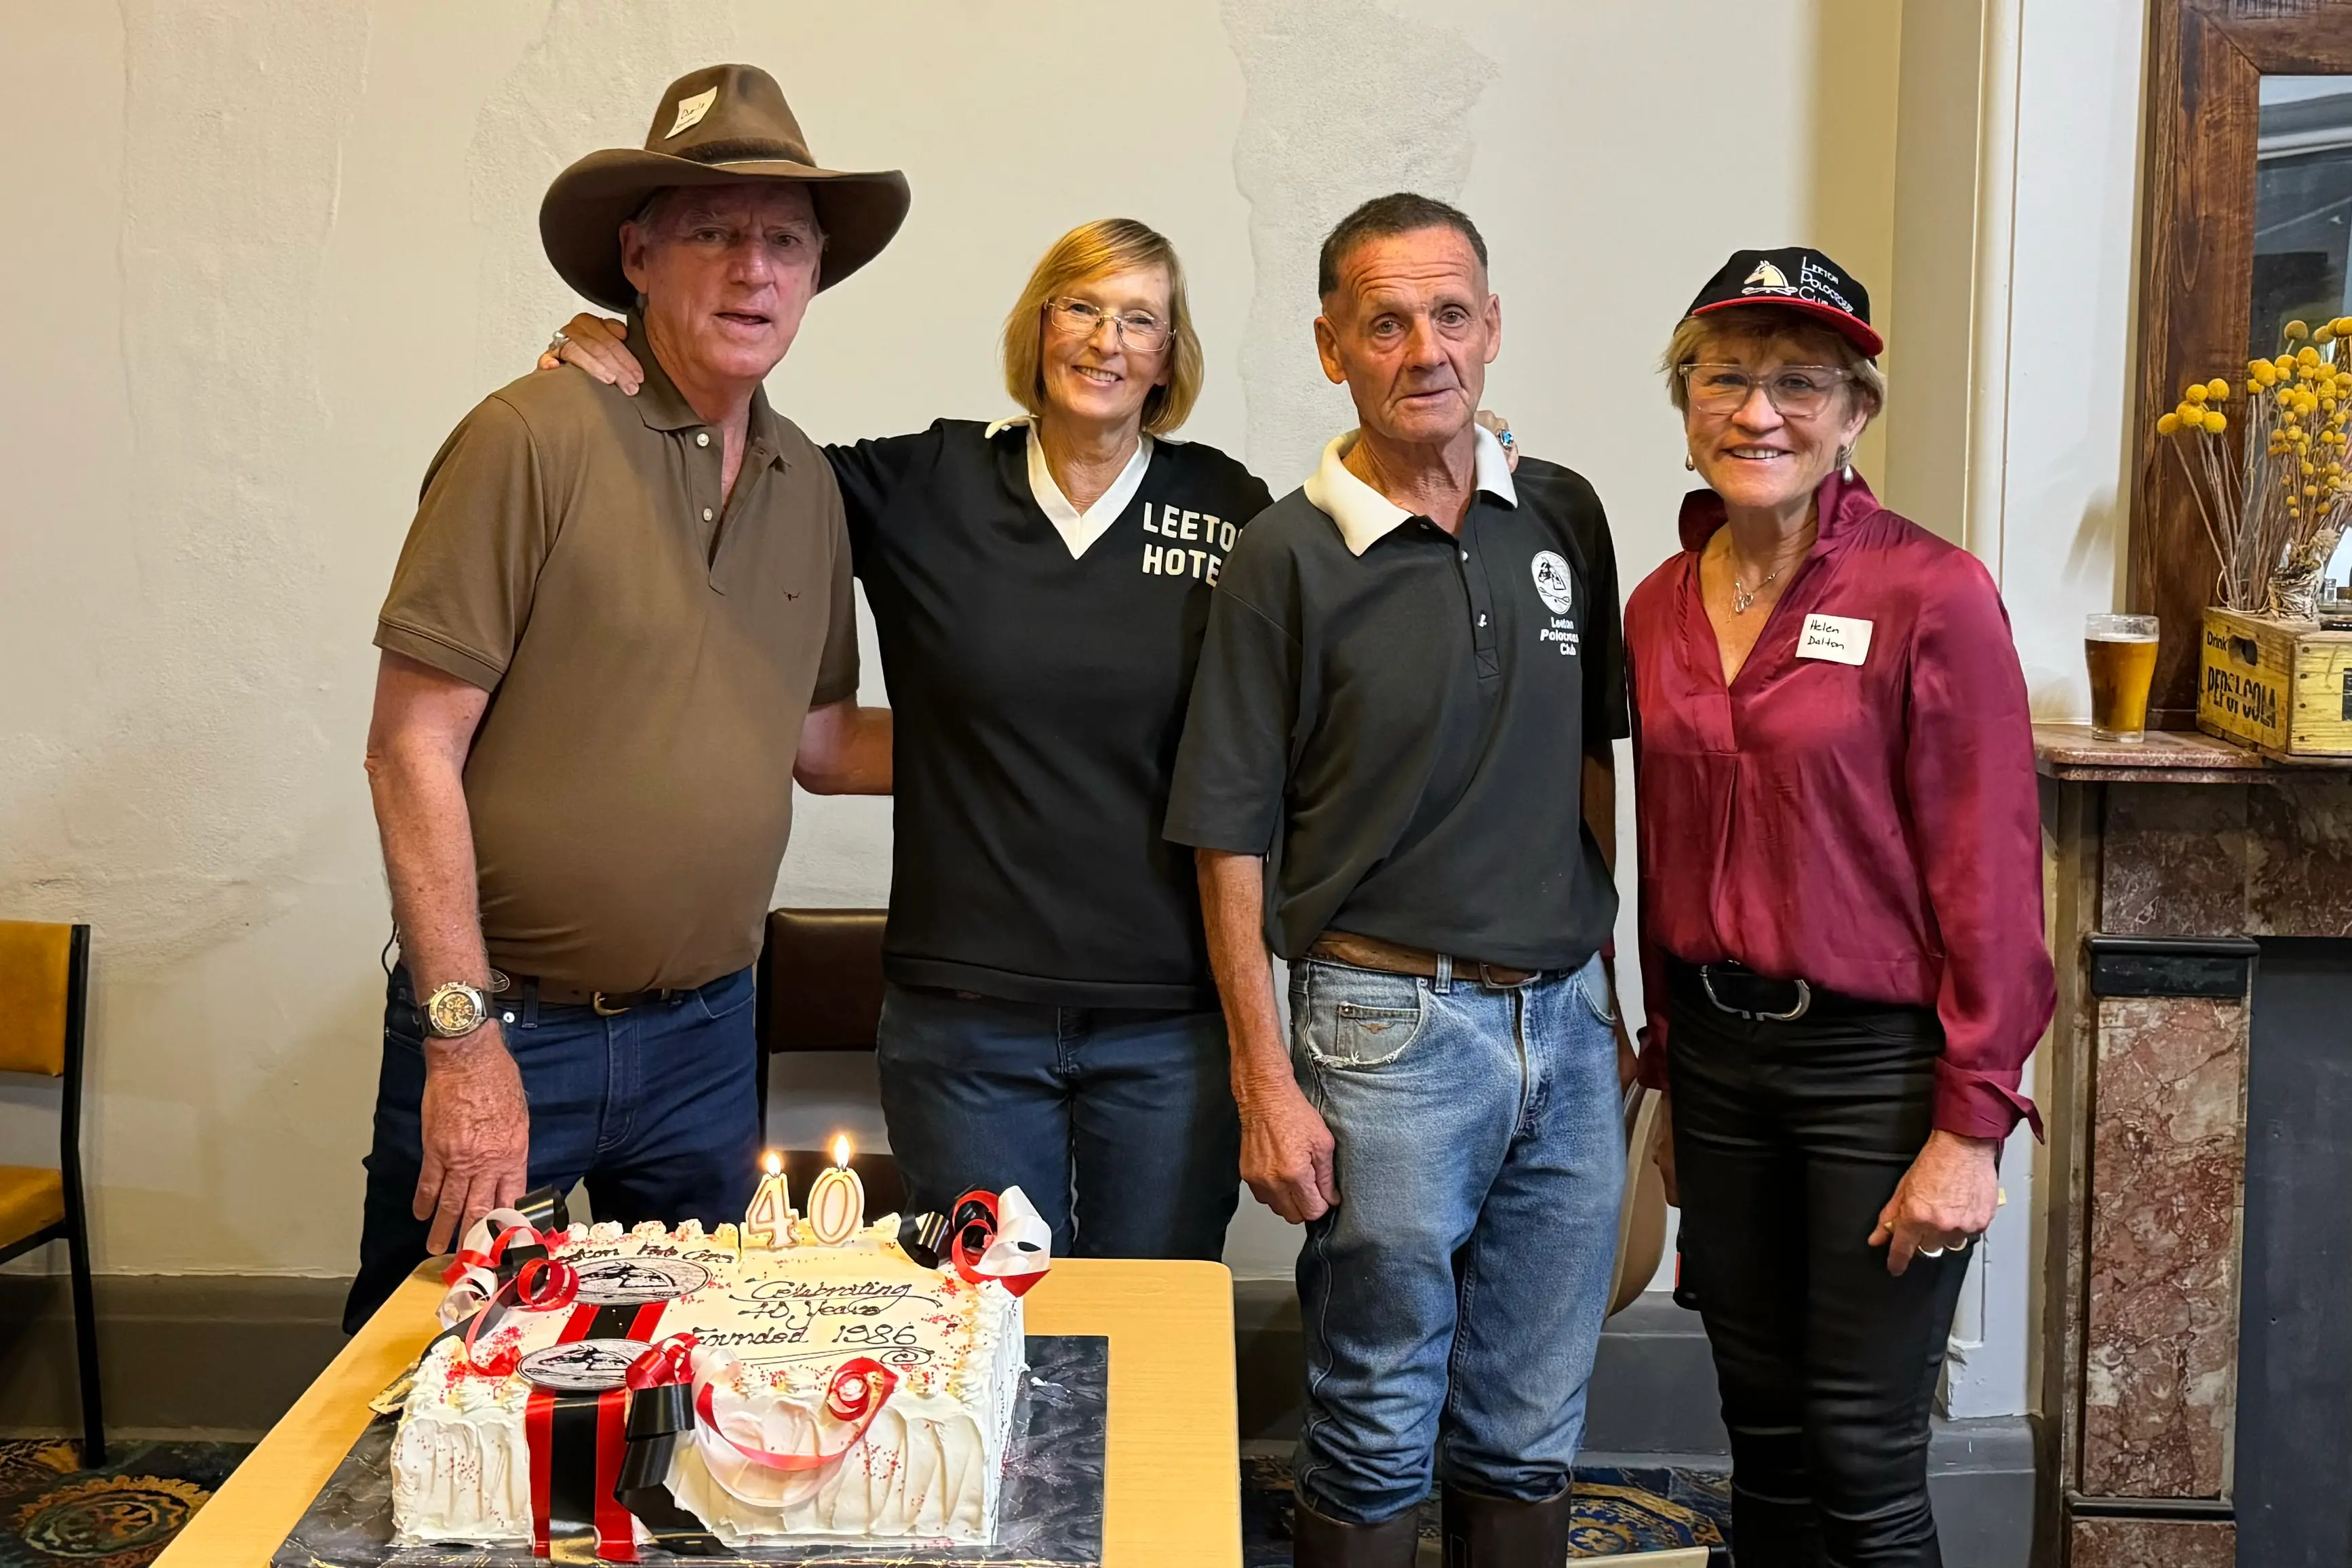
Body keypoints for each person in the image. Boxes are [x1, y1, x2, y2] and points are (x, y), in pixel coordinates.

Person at [542, 220, 1270, 1260]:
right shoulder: (930, 480)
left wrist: (1476, 453)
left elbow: (1332, 610)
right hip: (966, 1022)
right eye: (1081, 307)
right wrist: (621, 372)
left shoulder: (1228, 506)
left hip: (1170, 1021)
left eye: (1139, 320)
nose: (1106, 340)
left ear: (1168, 355)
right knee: (976, 1320)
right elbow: (738, 477)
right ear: (1040, 328)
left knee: (1152, 1316)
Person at [345, 64, 901, 1331]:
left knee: (693, 1368)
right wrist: (462, 1043)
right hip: (509, 1030)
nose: (753, 270)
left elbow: (821, 746)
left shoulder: (810, 486)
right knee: (436, 1367)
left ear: (817, 274)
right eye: (713, 234)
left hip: (708, 1035)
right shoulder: (531, 436)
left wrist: (1047, 748)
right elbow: (408, 750)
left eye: (785, 240)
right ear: (637, 259)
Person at [1165, 193, 1631, 1568]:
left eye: (1450, 314)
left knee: (1533, 1426)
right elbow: (1227, 834)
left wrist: (1613, 992)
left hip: (1569, 1025)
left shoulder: (1563, 515)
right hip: (1387, 1033)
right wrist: (1266, 1082)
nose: (1425, 349)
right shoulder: (1283, 558)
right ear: (1331, 349)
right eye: (1385, 323)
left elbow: (1591, 762)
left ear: (1493, 328)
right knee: (1374, 1418)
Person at [1626, 248, 2056, 1567]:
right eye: (1726, 378)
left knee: (1862, 1459)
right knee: (1760, 1440)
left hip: (1874, 1073)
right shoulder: (1658, 606)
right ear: (1686, 401)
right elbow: (1664, 853)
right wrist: (1670, 1074)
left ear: (1857, 411)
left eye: (1799, 383)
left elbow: (1993, 875)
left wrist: (1972, 1125)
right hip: (1718, 1062)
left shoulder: (1932, 594)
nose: (1758, 413)